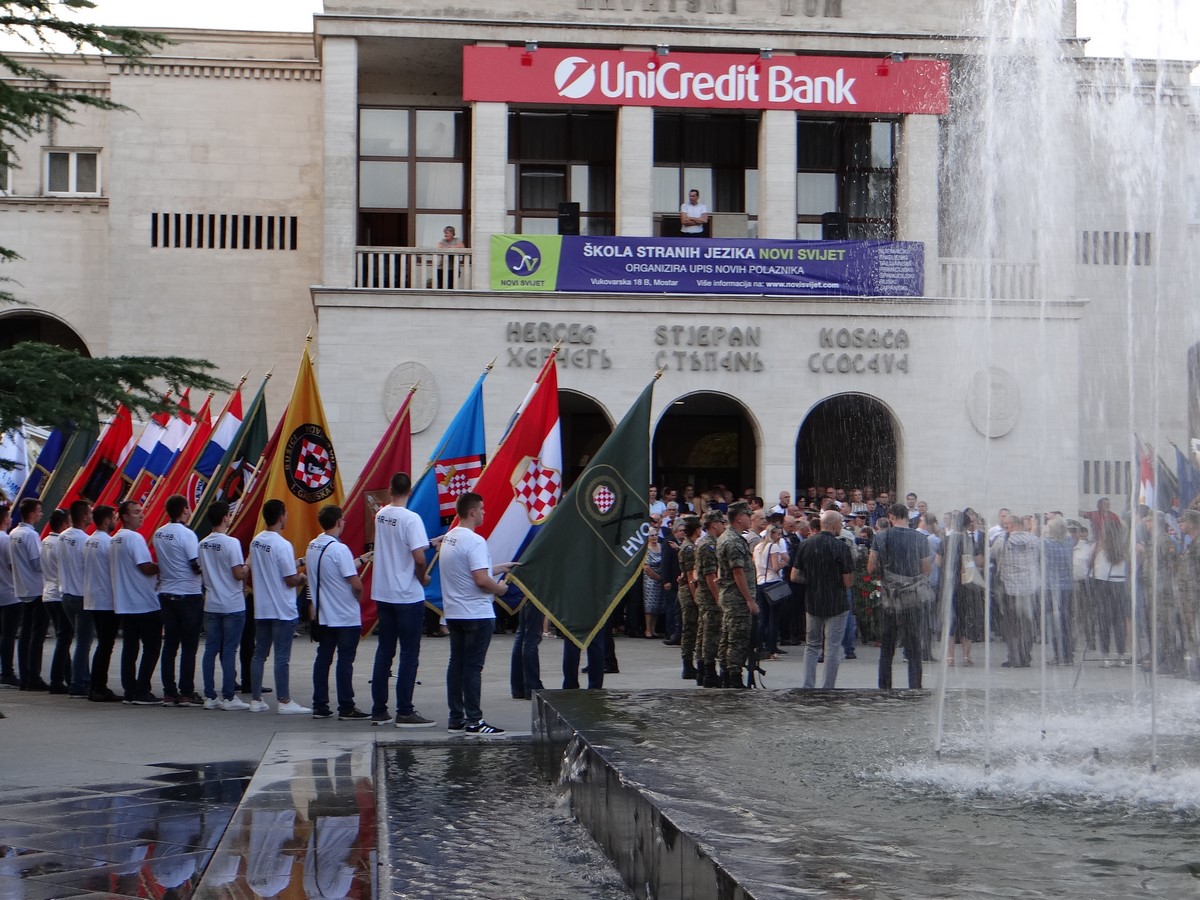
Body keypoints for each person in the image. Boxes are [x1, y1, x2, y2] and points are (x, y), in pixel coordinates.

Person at [440, 492, 513, 735]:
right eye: (481, 509)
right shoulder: (475, 541)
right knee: (472, 667)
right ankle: (474, 720)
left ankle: (456, 717)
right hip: (476, 612)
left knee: (456, 664)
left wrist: (498, 567)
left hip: (455, 611)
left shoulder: (450, 539)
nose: (484, 512)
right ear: (472, 512)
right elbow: (481, 579)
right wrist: (500, 588)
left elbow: (467, 569)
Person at [370, 472, 436, 728]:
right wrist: (423, 577)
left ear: (390, 489)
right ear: (410, 491)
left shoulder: (381, 515)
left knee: (385, 650)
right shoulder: (411, 518)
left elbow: (400, 546)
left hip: (384, 591)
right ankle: (405, 710)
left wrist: (430, 543)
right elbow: (417, 557)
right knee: (409, 652)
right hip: (406, 594)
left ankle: (379, 709)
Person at [305, 504, 369, 721]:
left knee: (323, 658)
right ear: (339, 522)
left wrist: (360, 560)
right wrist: (358, 597)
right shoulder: (340, 549)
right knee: (345, 660)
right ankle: (346, 706)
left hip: (324, 614)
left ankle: (320, 704)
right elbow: (355, 583)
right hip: (344, 614)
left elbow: (333, 569)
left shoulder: (313, 545)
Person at [248, 498, 310, 714]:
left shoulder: (256, 541)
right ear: (281, 516)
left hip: (262, 607)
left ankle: (256, 699)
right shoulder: (283, 544)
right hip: (282, 608)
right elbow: (289, 579)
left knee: (259, 654)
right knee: (282, 656)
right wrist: (303, 578)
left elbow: (272, 566)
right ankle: (284, 701)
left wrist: (300, 561)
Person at [869, 502, 932, 689]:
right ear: (907, 516)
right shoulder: (920, 538)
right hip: (913, 599)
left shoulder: (881, 537)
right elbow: (926, 569)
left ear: (891, 517)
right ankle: (915, 687)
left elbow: (871, 567)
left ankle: (885, 687)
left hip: (890, 598)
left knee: (887, 648)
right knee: (914, 647)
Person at [197, 502, 251, 711]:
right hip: (232, 602)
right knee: (229, 651)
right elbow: (238, 573)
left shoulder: (202, 543)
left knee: (210, 650)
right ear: (225, 517)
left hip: (212, 602)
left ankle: (210, 695)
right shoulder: (231, 543)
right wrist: (248, 566)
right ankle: (229, 696)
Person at [110, 500, 163, 705]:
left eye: (141, 512)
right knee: (152, 647)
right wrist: (163, 567)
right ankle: (142, 689)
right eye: (136, 512)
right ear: (124, 516)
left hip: (125, 601)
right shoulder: (134, 537)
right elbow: (145, 567)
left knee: (130, 648)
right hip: (143, 601)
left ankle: (130, 689)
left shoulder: (115, 539)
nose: (141, 515)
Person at [794, 509, 854, 688]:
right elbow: (848, 581)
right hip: (836, 603)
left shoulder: (806, 544)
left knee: (812, 646)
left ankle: (808, 685)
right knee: (832, 648)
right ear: (835, 525)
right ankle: (828, 687)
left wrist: (813, 579)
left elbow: (795, 575)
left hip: (813, 601)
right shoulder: (841, 547)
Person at [155, 494, 204, 706]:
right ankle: (186, 691)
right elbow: (195, 565)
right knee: (189, 646)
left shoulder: (159, 533)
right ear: (184, 509)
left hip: (166, 592)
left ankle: (169, 691)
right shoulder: (187, 534)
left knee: (170, 645)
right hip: (188, 593)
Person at [716, 501, 758, 688]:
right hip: (737, 598)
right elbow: (737, 572)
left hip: (730, 595)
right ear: (739, 517)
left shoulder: (727, 537)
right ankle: (733, 676)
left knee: (727, 636)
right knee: (737, 638)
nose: (751, 519)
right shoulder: (733, 541)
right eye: (748, 515)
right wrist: (749, 600)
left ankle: (726, 672)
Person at [993, 511, 1041, 668]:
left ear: (1011, 525)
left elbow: (990, 555)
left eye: (1005, 524)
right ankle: (1025, 655)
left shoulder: (1002, 540)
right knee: (1027, 625)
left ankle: (1014, 656)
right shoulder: (1034, 540)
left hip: (1010, 589)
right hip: (1029, 590)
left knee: (1011, 626)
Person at [938, 509, 984, 667]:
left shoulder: (945, 539)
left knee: (950, 620)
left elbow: (938, 561)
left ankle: (949, 657)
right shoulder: (970, 541)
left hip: (949, 585)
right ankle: (966, 656)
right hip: (967, 586)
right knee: (966, 619)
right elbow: (979, 561)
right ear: (966, 524)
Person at [83, 505, 120, 702]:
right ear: (107, 520)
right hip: (106, 599)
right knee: (106, 645)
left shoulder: (89, 540)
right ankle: (99, 686)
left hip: (93, 597)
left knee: (102, 645)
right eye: (113, 517)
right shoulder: (108, 542)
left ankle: (95, 685)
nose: (115, 520)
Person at [11, 497, 47, 691]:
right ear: (32, 513)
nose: (41, 514)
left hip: (22, 587)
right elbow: (36, 563)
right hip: (35, 588)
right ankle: (33, 676)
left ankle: (26, 675)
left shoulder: (14, 533)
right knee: (36, 635)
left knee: (25, 634)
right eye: (39, 511)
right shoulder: (30, 535)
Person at [58, 499, 93, 698]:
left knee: (78, 640)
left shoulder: (63, 537)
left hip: (67, 593)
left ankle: (78, 678)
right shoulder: (83, 540)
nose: (92, 516)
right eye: (90, 512)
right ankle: (79, 683)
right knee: (83, 642)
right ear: (84, 516)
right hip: (81, 595)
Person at [41, 507, 73, 694]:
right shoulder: (60, 542)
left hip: (48, 592)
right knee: (64, 638)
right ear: (63, 524)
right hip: (59, 593)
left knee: (63, 637)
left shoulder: (46, 541)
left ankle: (68, 676)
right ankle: (56, 679)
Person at [694, 510, 725, 688]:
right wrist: (718, 598)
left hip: (706, 596)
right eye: (721, 523)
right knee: (710, 635)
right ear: (714, 524)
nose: (723, 526)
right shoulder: (708, 545)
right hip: (709, 597)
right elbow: (709, 575)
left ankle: (703, 670)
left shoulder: (708, 542)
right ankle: (708, 672)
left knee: (705, 634)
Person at [754, 523, 788, 660]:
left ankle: (758, 645)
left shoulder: (757, 547)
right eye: (778, 534)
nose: (780, 537)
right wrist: (784, 563)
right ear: (772, 534)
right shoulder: (773, 546)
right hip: (773, 582)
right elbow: (775, 567)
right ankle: (771, 647)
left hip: (760, 582)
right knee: (774, 618)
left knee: (763, 617)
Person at [675, 516, 701, 680]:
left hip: (685, 588)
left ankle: (689, 664)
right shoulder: (689, 548)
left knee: (690, 628)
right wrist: (696, 597)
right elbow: (691, 575)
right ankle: (688, 665)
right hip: (689, 591)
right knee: (690, 628)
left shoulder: (688, 546)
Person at [0, 503, 20, 688]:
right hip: (9, 591)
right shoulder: (5, 540)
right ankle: (7, 671)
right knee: (8, 634)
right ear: (5, 519)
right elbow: (11, 566)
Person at [642, 527, 665, 638]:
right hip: (650, 580)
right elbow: (646, 567)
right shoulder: (646, 549)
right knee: (649, 605)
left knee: (658, 605)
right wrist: (657, 577)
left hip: (661, 578)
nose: (654, 537)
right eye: (651, 535)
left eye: (655, 535)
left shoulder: (661, 547)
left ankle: (654, 629)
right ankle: (647, 629)